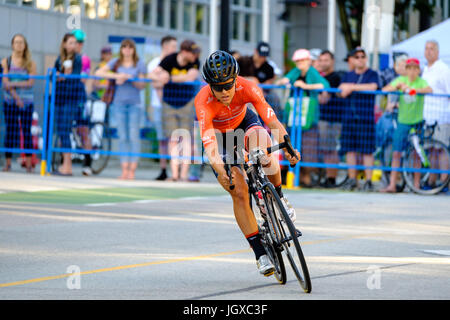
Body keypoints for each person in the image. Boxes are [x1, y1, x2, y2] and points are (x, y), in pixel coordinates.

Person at [195, 50, 301, 276]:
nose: (224, 91)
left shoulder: (248, 87)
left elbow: (271, 120)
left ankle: (279, 198)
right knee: (239, 191)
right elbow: (210, 145)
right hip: (221, 138)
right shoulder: (203, 101)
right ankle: (260, 254)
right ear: (210, 85)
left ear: (235, 80)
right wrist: (220, 168)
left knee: (264, 149)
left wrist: (288, 146)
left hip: (245, 123)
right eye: (218, 87)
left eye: (228, 85)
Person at [148, 39, 201, 182]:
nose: (195, 56)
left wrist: (169, 77)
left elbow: (190, 77)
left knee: (185, 138)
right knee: (173, 139)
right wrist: (161, 77)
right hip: (169, 103)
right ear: (184, 52)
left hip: (186, 103)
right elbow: (152, 74)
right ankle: (174, 174)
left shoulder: (195, 62)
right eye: (192, 53)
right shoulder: (169, 59)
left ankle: (184, 174)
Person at [276, 49, 330, 187]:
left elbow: (324, 85)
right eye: (298, 61)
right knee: (291, 146)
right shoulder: (295, 72)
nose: (300, 63)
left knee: (308, 148)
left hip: (309, 119)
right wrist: (284, 82)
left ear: (309, 61)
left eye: (302, 60)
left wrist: (305, 86)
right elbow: (284, 80)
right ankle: (294, 177)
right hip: (294, 117)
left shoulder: (312, 72)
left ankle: (308, 178)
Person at [95, 38, 147, 180]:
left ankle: (132, 170)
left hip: (134, 104)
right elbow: (99, 73)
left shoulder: (140, 63)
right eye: (124, 46)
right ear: (121, 49)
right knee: (123, 136)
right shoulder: (115, 62)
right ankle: (124, 170)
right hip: (119, 104)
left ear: (134, 49)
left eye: (130, 47)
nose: (127, 49)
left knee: (133, 136)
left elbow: (142, 85)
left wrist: (130, 78)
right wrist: (118, 75)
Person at [380, 58, 432, 193]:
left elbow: (429, 89)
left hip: (417, 121)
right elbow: (385, 89)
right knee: (396, 153)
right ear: (406, 69)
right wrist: (398, 87)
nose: (412, 71)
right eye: (409, 68)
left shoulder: (421, 81)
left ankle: (416, 185)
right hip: (403, 121)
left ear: (418, 70)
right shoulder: (401, 80)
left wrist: (414, 90)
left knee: (416, 154)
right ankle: (392, 184)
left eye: (415, 68)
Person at [338, 47, 379, 191]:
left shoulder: (372, 73)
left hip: (365, 118)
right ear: (353, 60)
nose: (360, 59)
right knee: (350, 150)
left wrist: (353, 87)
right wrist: (350, 87)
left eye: (362, 56)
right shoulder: (348, 75)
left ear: (366, 58)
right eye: (357, 57)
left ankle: (368, 181)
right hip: (349, 118)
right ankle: (352, 179)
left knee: (367, 151)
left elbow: (373, 87)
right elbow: (341, 90)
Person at [1, 34, 37, 173]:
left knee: (26, 132)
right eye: (16, 42)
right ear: (12, 45)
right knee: (10, 131)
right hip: (11, 101)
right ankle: (8, 164)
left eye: (21, 42)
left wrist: (14, 83)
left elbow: (31, 82)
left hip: (27, 103)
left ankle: (28, 164)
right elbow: (5, 83)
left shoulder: (30, 63)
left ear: (25, 45)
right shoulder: (6, 61)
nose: (19, 45)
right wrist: (17, 98)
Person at [52, 33, 87, 176]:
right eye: (70, 42)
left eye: (75, 42)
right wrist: (60, 76)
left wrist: (66, 75)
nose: (73, 45)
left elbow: (75, 79)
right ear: (64, 44)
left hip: (71, 99)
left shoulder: (78, 59)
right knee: (61, 131)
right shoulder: (59, 59)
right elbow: (52, 76)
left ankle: (68, 166)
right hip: (59, 99)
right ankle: (64, 164)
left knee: (65, 130)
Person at [146, 35, 178, 181]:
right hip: (159, 106)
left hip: (173, 105)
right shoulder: (155, 63)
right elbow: (154, 82)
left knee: (175, 138)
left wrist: (166, 81)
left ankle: (175, 171)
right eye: (172, 46)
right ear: (165, 46)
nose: (175, 50)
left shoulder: (176, 63)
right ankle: (163, 169)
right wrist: (164, 81)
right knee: (162, 139)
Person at [422, 40, 450, 186]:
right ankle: (432, 181)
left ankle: (444, 182)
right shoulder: (425, 69)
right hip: (428, 117)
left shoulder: (444, 69)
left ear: (437, 52)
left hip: (441, 116)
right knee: (431, 149)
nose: (428, 51)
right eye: (426, 49)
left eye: (431, 49)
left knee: (441, 150)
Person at [317, 50, 342, 188]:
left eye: (326, 60)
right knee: (326, 149)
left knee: (331, 149)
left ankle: (331, 178)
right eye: (321, 60)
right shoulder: (320, 77)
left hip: (333, 118)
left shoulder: (335, 77)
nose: (322, 63)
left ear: (332, 61)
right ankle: (328, 177)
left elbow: (324, 99)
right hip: (323, 117)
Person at [70, 28, 93, 176]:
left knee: (83, 130)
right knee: (64, 129)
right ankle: (63, 160)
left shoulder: (84, 59)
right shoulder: (65, 57)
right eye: (75, 42)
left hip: (79, 97)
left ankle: (87, 163)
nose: (78, 45)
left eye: (80, 42)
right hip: (66, 96)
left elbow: (83, 78)